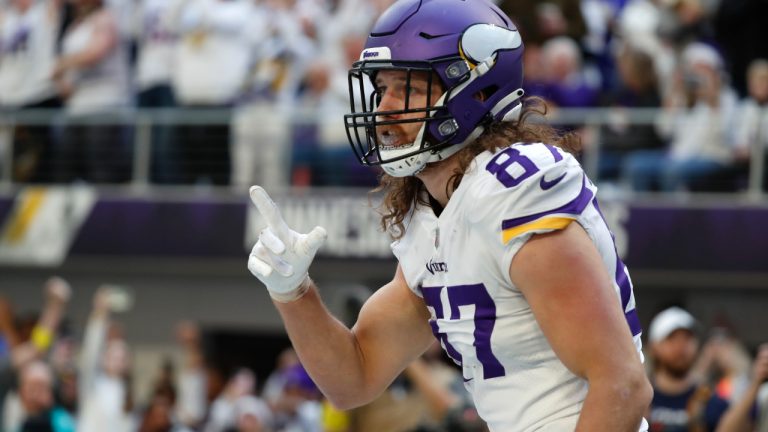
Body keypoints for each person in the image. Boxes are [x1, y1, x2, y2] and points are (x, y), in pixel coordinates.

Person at [246, 0, 652, 430]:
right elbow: (354, 379)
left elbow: (622, 385)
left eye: (407, 88)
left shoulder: (513, 190)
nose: (384, 109)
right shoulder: (434, 213)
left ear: (477, 91)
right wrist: (294, 293)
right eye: (382, 89)